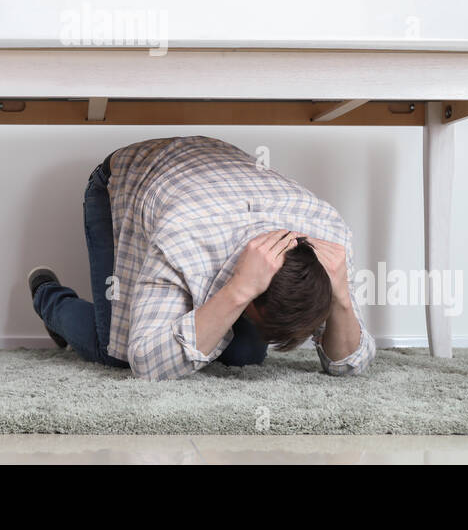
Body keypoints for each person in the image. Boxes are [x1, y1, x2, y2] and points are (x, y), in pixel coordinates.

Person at [28, 135, 376, 380]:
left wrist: (341, 298)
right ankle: (47, 295)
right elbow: (145, 362)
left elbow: (352, 365)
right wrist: (238, 291)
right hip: (125, 182)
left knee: (244, 356)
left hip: (211, 181)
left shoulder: (329, 238)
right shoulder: (183, 236)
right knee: (113, 352)